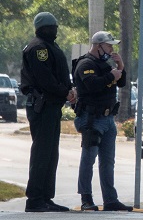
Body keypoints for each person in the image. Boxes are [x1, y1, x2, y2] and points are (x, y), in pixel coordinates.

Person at [19, 12, 77, 212]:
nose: (55, 30)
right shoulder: (38, 48)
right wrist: (64, 91)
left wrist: (69, 89)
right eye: (52, 27)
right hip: (42, 105)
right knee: (42, 153)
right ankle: (34, 199)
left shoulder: (51, 46)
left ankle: (45, 197)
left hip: (52, 105)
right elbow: (45, 79)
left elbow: (59, 73)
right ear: (43, 28)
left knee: (51, 153)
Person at [72, 31, 132, 212]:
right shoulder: (86, 64)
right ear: (99, 46)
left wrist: (120, 66)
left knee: (108, 161)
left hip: (107, 119)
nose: (111, 49)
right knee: (88, 159)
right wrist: (111, 76)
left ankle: (110, 200)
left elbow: (121, 83)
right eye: (108, 46)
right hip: (91, 118)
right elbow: (92, 84)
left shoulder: (105, 65)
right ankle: (86, 199)